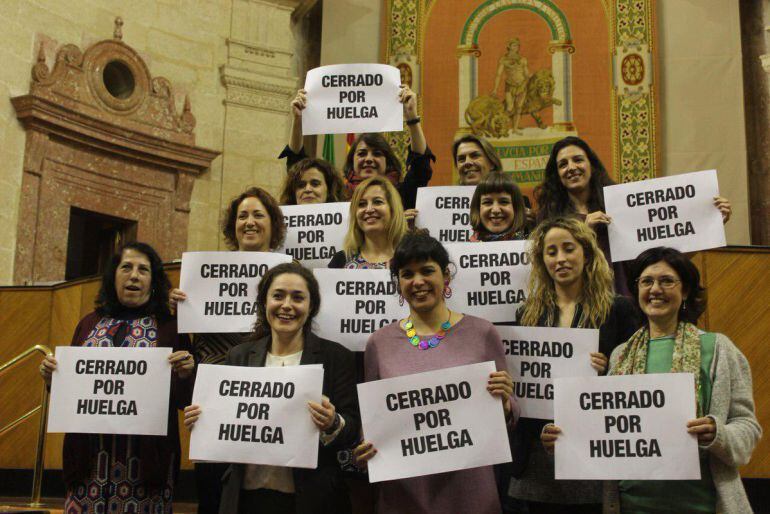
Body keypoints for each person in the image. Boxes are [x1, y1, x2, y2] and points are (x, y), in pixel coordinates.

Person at [541, 247, 761, 513]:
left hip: (701, 504)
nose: (655, 289)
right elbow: (607, 428)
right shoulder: (621, 354)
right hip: (630, 505)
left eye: (667, 281)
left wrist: (718, 433)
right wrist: (565, 439)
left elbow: (747, 427)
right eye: (646, 281)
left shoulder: (718, 349)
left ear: (686, 291)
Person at [353, 232, 517, 514]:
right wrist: (364, 449)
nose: (417, 282)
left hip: (471, 493)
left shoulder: (483, 333)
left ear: (446, 277)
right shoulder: (378, 343)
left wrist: (504, 403)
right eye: (407, 274)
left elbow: (510, 415)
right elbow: (372, 421)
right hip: (403, 495)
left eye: (427, 271)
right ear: (398, 283)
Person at [183, 262, 360, 514]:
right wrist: (202, 422)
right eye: (278, 296)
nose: (286, 305)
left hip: (311, 499)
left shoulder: (336, 357)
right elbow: (225, 422)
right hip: (245, 498)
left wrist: (333, 422)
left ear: (311, 307)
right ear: (264, 303)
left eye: (298, 297)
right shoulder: (239, 355)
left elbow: (352, 429)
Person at [39, 242, 194, 513]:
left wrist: (186, 373)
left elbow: (186, 398)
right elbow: (73, 390)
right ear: (113, 276)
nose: (134, 275)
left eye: (143, 270)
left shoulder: (170, 328)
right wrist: (53, 378)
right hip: (88, 465)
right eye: (126, 267)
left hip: (146, 467)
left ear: (153, 280)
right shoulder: (88, 324)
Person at [507, 217, 641, 514]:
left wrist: (609, 369)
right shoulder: (526, 313)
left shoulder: (618, 308)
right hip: (538, 457)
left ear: (586, 253)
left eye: (569, 248)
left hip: (592, 456)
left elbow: (635, 381)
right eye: (551, 252)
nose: (561, 259)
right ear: (542, 261)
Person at [169, 186, 286, 514]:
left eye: (258, 215)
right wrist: (178, 310)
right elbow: (195, 347)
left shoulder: (287, 278)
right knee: (213, 498)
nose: (249, 222)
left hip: (268, 404)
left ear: (273, 225)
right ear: (232, 226)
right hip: (214, 407)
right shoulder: (204, 278)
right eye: (242, 216)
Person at [534, 136, 732, 296]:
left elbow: (658, 258)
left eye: (578, 160)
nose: (571, 167)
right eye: (562, 164)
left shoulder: (620, 205)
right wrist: (583, 230)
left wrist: (709, 223)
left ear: (591, 166)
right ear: (557, 173)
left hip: (623, 299)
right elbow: (543, 266)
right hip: (574, 302)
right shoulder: (548, 216)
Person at [281, 84, 433, 212]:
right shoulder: (338, 197)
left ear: (388, 162)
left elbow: (421, 167)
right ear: (351, 161)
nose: (368, 159)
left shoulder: (401, 194)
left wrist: (412, 117)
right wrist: (298, 120)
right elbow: (296, 166)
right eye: (362, 154)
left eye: (377, 153)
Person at [328, 176, 407, 269]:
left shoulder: (408, 259)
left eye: (377, 202)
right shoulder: (340, 260)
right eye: (361, 204)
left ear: (392, 209)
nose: (369, 209)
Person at [469, 171, 530, 242]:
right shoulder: (463, 251)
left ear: (516, 208)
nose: (495, 210)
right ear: (477, 208)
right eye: (487, 202)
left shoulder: (533, 248)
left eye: (504, 202)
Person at [278, 157, 346, 205]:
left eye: (315, 184)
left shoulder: (346, 221)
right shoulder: (280, 222)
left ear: (329, 190)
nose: (307, 189)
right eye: (301, 185)